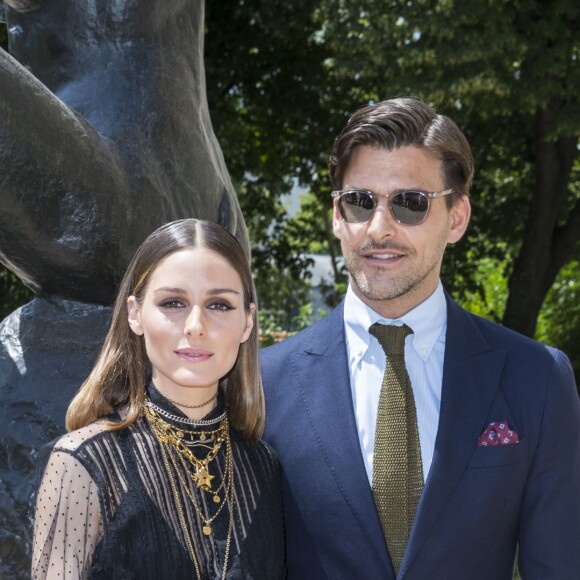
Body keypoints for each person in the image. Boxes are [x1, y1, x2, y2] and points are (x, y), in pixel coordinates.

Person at [260, 97, 580, 579]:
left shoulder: (535, 379)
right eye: (360, 202)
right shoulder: (264, 383)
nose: (380, 228)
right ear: (336, 216)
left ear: (457, 218)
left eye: (410, 204)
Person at [32, 219, 285, 579]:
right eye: (173, 302)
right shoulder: (80, 463)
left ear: (247, 321)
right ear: (136, 314)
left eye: (219, 305)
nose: (196, 325)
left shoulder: (264, 466)